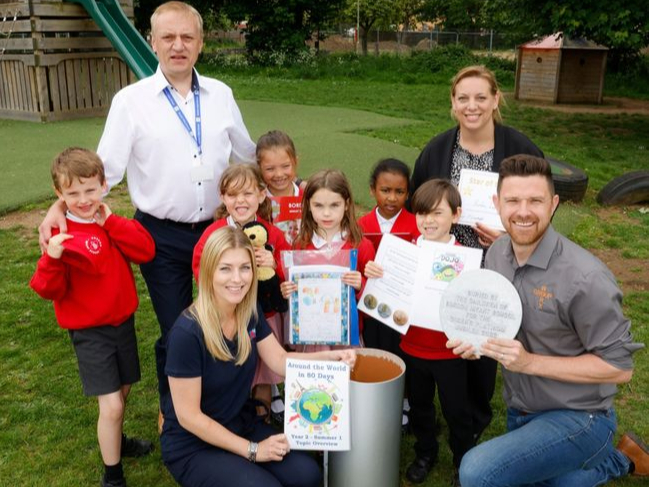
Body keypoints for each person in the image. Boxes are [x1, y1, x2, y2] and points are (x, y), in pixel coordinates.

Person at [38, 1, 256, 403]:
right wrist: (60, 208)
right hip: (160, 236)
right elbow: (103, 172)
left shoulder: (221, 95)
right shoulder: (131, 101)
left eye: (187, 36)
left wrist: (285, 187)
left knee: (229, 319)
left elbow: (247, 156)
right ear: (152, 42)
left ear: (201, 43)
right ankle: (175, 413)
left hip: (220, 233)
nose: (178, 45)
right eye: (168, 37)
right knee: (177, 330)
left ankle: (229, 402)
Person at [450, 155, 647, 486]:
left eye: (535, 201)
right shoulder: (498, 253)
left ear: (553, 203)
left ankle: (606, 454)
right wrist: (476, 342)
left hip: (582, 417)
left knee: (477, 471)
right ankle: (622, 459)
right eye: (513, 200)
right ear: (497, 203)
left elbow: (620, 368)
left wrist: (528, 363)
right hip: (522, 411)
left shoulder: (586, 279)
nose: (523, 211)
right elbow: (500, 321)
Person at [161, 226, 356, 487]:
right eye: (225, 268)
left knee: (307, 475)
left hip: (239, 423)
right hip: (193, 445)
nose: (237, 278)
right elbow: (189, 417)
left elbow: (280, 361)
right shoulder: (187, 332)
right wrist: (253, 450)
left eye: (245, 267)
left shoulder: (248, 312)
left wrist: (334, 358)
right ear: (208, 272)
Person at [411, 65, 544, 440]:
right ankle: (436, 417)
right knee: (446, 343)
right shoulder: (438, 150)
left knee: (485, 353)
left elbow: (543, 205)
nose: (472, 106)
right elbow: (417, 206)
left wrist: (511, 232)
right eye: (463, 98)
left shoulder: (519, 148)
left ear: (495, 99)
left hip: (497, 267)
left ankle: (473, 422)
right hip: (446, 267)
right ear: (453, 103)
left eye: (481, 97)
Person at [30, 148, 156, 487]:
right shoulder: (58, 231)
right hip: (89, 332)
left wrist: (112, 223)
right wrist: (52, 259)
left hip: (123, 322)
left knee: (123, 391)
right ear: (59, 194)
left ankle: (117, 440)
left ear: (104, 184)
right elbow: (46, 289)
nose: (83, 199)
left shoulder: (111, 221)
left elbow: (146, 250)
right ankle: (112, 476)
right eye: (72, 194)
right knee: (112, 404)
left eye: (89, 190)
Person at [365, 179, 472, 486]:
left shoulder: (465, 259)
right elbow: (384, 293)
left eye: (437, 213)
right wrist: (375, 273)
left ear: (456, 214)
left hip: (449, 351)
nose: (428, 220)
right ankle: (425, 452)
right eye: (422, 213)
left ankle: (464, 460)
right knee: (421, 407)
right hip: (411, 348)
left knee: (456, 411)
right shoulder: (403, 253)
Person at [192, 163, 290, 419]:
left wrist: (275, 264)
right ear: (223, 198)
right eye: (233, 195)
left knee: (263, 372)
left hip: (265, 315)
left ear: (261, 195)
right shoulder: (214, 233)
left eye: (247, 193)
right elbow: (200, 267)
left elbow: (290, 271)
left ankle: (262, 417)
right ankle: (230, 417)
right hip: (226, 318)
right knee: (230, 367)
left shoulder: (274, 234)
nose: (241, 201)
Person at [280, 169, 376, 352]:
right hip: (310, 338)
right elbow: (296, 292)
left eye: (334, 205)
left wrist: (360, 285)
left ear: (346, 204)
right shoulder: (301, 245)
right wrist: (289, 290)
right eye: (318, 205)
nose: (326, 214)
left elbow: (372, 302)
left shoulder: (361, 246)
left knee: (348, 378)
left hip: (346, 338)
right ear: (308, 205)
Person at [358, 158, 419, 353]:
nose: (392, 198)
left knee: (401, 357)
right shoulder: (360, 226)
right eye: (385, 190)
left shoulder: (416, 225)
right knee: (373, 353)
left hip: (402, 308)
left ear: (407, 193)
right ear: (372, 190)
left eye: (399, 192)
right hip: (368, 307)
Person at [256, 130, 304, 246]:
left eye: (285, 166)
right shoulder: (256, 201)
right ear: (259, 167)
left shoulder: (307, 196)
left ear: (295, 162)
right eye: (270, 169)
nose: (279, 174)